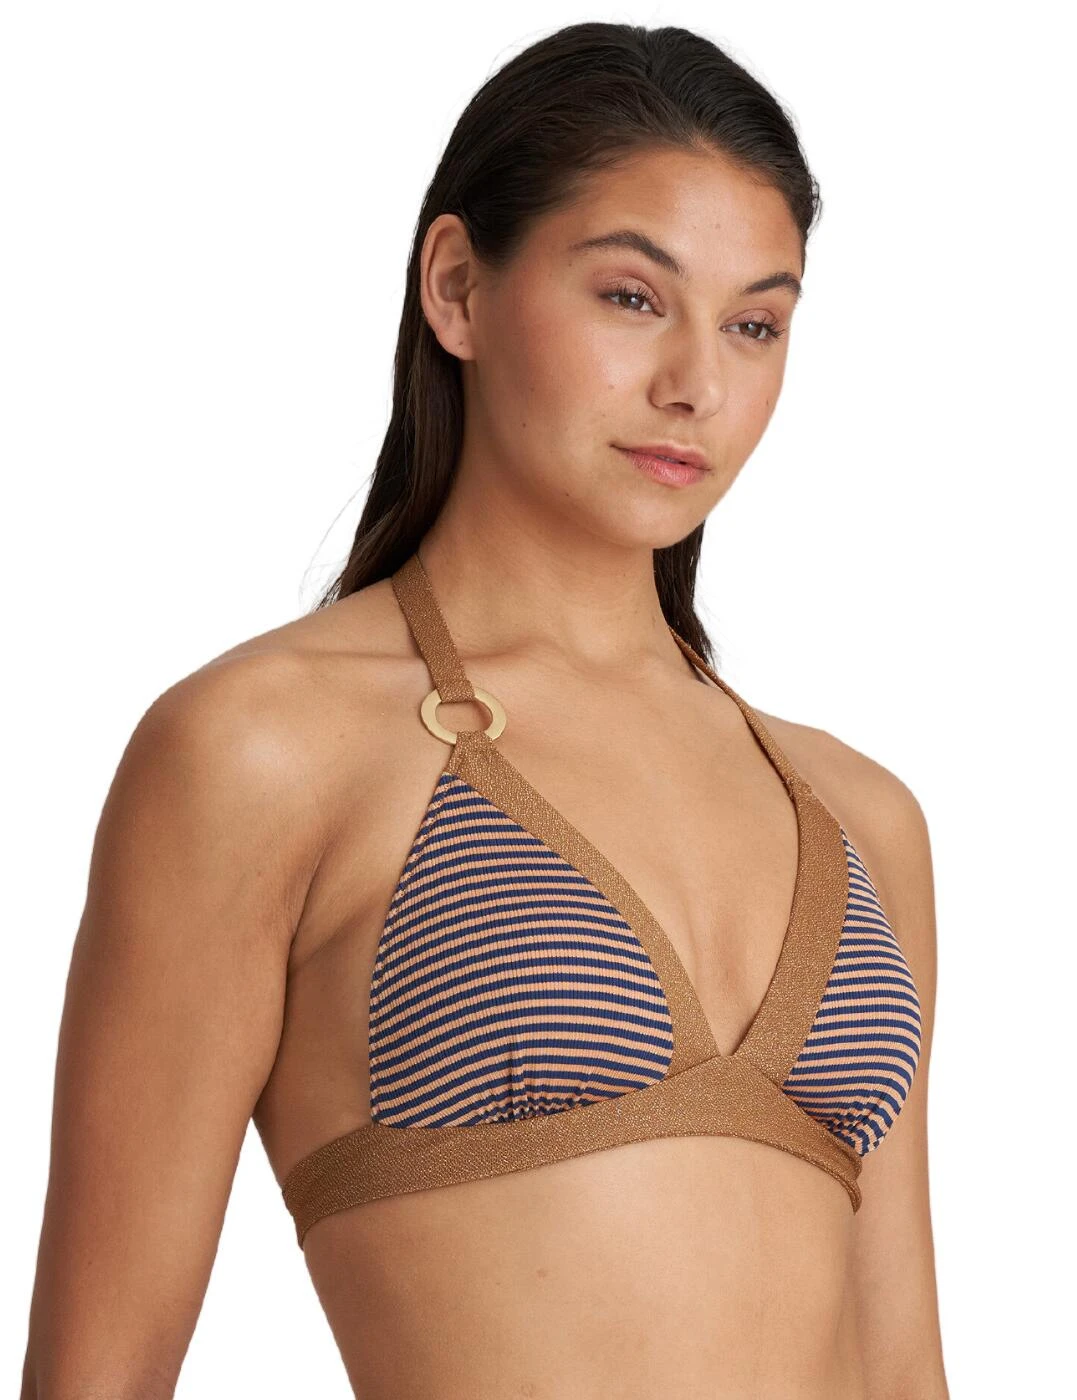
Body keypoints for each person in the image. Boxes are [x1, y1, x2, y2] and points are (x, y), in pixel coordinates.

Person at [19, 20, 948, 1400]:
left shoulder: (863, 816)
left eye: (755, 324)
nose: (697, 384)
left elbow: (904, 1367)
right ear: (456, 287)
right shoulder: (264, 749)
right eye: (632, 297)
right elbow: (96, 1376)